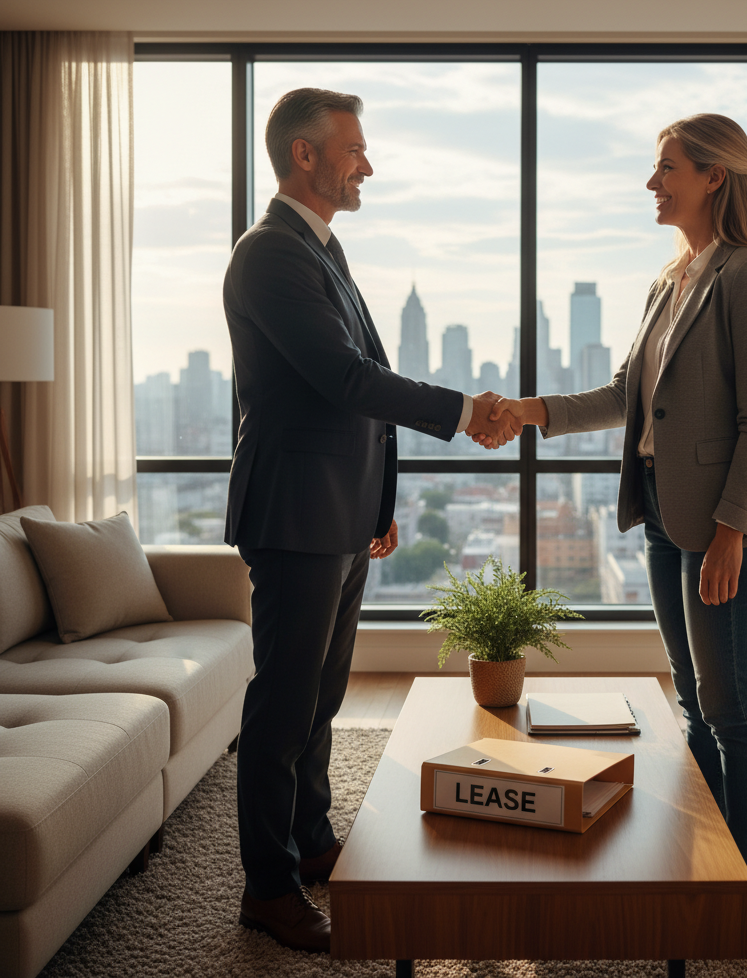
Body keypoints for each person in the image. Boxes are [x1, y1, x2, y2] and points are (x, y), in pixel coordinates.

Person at [223, 87, 519, 953]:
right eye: (353, 149)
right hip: (295, 514)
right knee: (281, 706)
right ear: (304, 155)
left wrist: (378, 507)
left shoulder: (322, 247)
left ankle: (310, 842)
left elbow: (364, 385)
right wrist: (468, 410)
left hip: (342, 514)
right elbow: (345, 381)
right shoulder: (269, 255)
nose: (368, 164)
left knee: (321, 696)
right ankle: (265, 888)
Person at [487, 112, 747, 926]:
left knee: (732, 707)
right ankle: (709, 855)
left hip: (725, 525)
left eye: (667, 169)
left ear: (713, 177)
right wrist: (531, 410)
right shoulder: (672, 278)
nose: (652, 183)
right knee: (691, 701)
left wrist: (731, 531)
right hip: (660, 513)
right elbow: (627, 393)